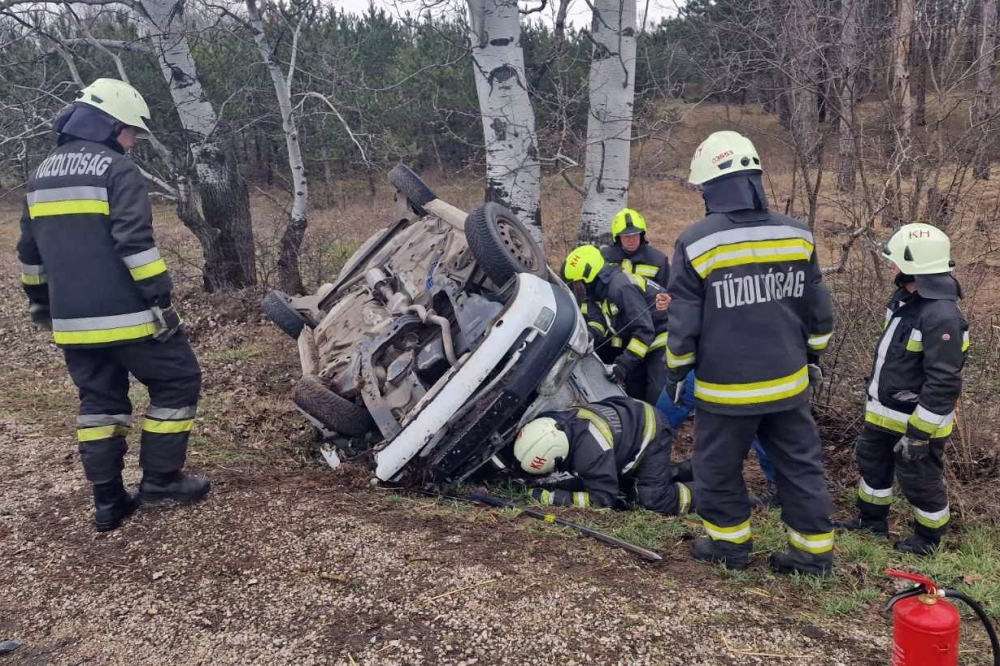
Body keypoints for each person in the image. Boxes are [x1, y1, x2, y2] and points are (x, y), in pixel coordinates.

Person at [17, 78, 210, 532]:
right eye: (131, 130)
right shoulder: (116, 170)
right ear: (107, 125)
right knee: (179, 381)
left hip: (72, 322)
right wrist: (160, 295)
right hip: (130, 317)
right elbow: (135, 244)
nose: (134, 138)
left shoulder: (41, 174)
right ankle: (161, 480)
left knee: (99, 403)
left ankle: (108, 501)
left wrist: (40, 302)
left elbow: (30, 252)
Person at [663, 130, 835, 575]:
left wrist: (676, 371)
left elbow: (684, 323)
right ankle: (813, 556)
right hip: (789, 384)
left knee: (716, 468)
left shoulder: (697, 242)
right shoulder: (797, 235)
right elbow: (819, 311)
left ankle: (729, 548)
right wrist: (812, 358)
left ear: (711, 188)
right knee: (800, 466)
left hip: (727, 390)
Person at [835, 223, 968, 556]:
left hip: (917, 425)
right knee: (872, 465)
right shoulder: (906, 299)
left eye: (895, 261)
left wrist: (920, 434)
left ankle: (928, 538)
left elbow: (944, 381)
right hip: (884, 413)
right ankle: (871, 520)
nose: (890, 266)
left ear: (915, 264)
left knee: (920, 481)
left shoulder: (942, 316)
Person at [514, 396, 693, 516]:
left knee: (653, 499)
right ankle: (703, 470)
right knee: (643, 480)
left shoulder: (590, 454)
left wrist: (551, 498)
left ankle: (712, 495)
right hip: (633, 416)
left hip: (651, 432)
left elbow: (603, 498)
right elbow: (590, 478)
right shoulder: (552, 422)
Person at [564, 244, 667, 404]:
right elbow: (598, 321)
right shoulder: (597, 291)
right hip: (643, 338)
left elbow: (644, 330)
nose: (577, 288)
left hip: (664, 335)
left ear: (588, 276)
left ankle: (664, 424)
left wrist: (622, 365)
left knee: (657, 390)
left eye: (577, 283)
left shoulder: (620, 287)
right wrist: (588, 337)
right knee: (633, 389)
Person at [601, 208, 670, 287]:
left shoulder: (658, 260)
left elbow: (668, 292)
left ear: (641, 235)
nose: (631, 240)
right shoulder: (605, 257)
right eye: (626, 236)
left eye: (635, 235)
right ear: (618, 238)